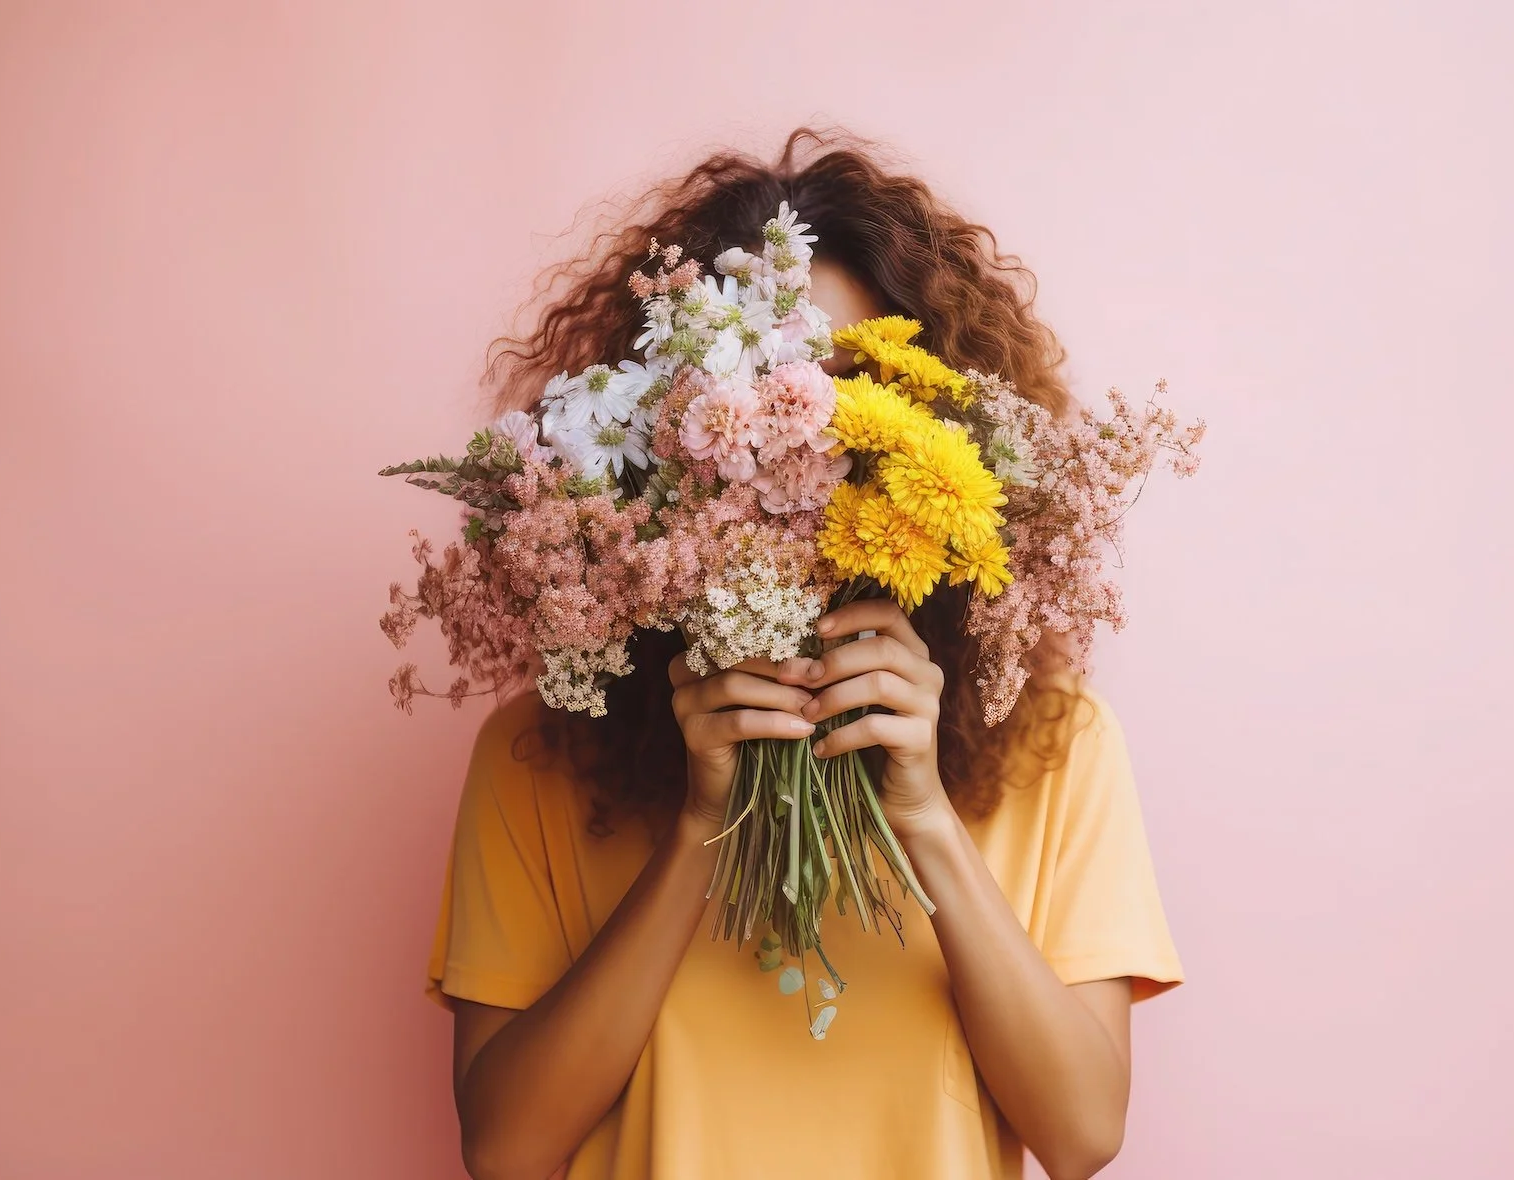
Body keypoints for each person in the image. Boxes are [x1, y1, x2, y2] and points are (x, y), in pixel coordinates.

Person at [424, 126, 1185, 1180]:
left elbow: (1082, 1133)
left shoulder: (1055, 747)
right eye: (767, 390)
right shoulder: (537, 759)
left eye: (851, 388)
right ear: (663, 431)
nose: (807, 441)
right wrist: (703, 818)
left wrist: (923, 814)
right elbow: (507, 1151)